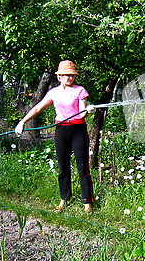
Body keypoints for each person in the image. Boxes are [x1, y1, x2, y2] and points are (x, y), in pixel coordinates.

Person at [15, 60, 96, 214]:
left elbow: (82, 112)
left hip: (78, 129)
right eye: (67, 75)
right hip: (61, 131)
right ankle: (64, 199)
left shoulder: (80, 91)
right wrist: (22, 122)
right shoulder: (53, 92)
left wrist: (88, 110)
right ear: (59, 76)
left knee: (82, 167)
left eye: (72, 75)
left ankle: (87, 203)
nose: (70, 78)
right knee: (62, 167)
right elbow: (38, 107)